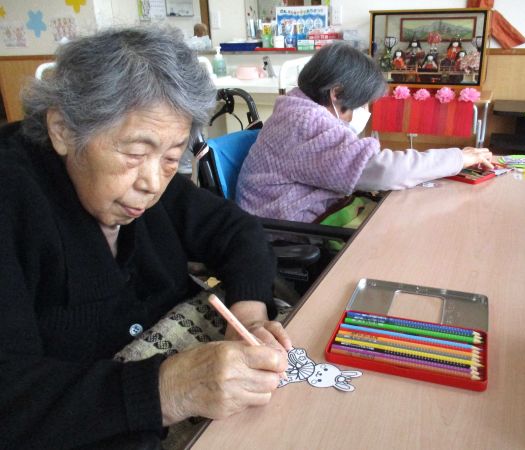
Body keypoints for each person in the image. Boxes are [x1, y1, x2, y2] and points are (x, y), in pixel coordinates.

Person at [0, 26, 291, 449]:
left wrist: (249, 316)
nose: (152, 184)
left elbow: (238, 231)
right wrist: (168, 389)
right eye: (134, 153)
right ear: (62, 129)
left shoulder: (146, 178)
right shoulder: (13, 199)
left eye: (172, 157)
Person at [236, 42, 493, 224]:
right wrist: (458, 158)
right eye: (360, 105)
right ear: (336, 93)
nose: (362, 112)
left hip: (283, 213)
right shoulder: (305, 122)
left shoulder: (296, 107)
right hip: (287, 227)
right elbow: (384, 170)